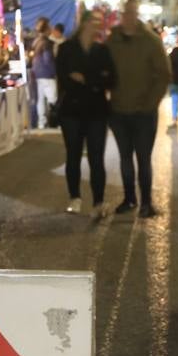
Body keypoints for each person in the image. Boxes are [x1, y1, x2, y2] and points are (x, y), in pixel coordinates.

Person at [107, 0, 171, 217]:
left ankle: (146, 202)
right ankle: (129, 199)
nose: (129, 17)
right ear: (121, 15)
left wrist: (149, 104)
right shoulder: (112, 41)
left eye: (132, 13)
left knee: (143, 159)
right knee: (125, 158)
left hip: (144, 113)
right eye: (125, 13)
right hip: (118, 111)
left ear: (137, 14)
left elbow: (164, 76)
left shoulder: (151, 41)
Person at [55, 12, 116, 218]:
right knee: (73, 155)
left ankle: (98, 201)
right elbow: (64, 79)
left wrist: (85, 79)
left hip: (97, 111)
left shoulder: (102, 50)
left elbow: (111, 79)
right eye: (94, 21)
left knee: (96, 158)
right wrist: (95, 79)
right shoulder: (66, 49)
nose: (97, 25)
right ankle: (75, 197)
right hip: (71, 111)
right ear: (83, 24)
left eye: (100, 22)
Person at [30, 17, 59, 127]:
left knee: (40, 100)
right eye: (50, 26)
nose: (51, 28)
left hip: (37, 74)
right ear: (46, 29)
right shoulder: (47, 43)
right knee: (53, 99)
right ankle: (55, 121)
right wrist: (54, 71)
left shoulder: (36, 41)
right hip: (47, 74)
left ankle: (41, 123)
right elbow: (48, 60)